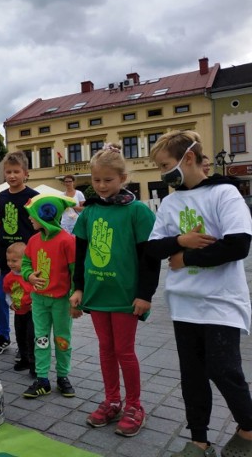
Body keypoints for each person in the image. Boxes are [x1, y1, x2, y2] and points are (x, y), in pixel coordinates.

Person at [148, 130, 252, 457]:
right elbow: (153, 247)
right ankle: (199, 441)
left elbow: (238, 245)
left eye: (165, 165)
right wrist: (180, 242)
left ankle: (248, 430)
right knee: (192, 376)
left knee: (224, 369)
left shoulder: (225, 194)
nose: (163, 174)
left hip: (221, 301)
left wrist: (185, 258)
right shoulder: (170, 202)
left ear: (188, 158)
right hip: (184, 304)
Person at [69, 143, 160, 437]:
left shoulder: (138, 212)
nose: (102, 185)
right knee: (105, 350)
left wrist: (145, 294)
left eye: (108, 180)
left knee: (124, 351)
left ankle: (134, 405)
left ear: (123, 178)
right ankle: (112, 400)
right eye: (96, 180)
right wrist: (78, 288)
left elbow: (150, 258)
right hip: (97, 294)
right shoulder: (90, 212)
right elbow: (80, 255)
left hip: (125, 296)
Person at [21, 194, 79, 399]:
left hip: (61, 301)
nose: (30, 219)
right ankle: (42, 379)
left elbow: (74, 272)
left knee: (63, 339)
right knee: (41, 338)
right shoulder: (33, 240)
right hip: (39, 300)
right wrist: (29, 275)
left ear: (46, 215)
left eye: (33, 215)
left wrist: (75, 299)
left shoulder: (67, 241)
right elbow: (26, 263)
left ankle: (63, 376)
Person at [0, 151, 38, 356]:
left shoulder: (34, 197)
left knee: (27, 301)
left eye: (16, 171)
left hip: (26, 260)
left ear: (25, 173)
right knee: (0, 297)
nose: (12, 176)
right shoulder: (2, 196)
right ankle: (3, 336)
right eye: (8, 172)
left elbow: (39, 228)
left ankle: (26, 341)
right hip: (3, 257)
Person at [2, 243, 35, 376]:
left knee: (31, 337)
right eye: (8, 260)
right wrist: (10, 303)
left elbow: (38, 289)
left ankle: (35, 365)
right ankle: (25, 360)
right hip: (18, 312)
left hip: (31, 312)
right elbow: (7, 292)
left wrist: (36, 304)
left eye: (14, 261)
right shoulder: (9, 277)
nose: (10, 264)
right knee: (20, 336)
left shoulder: (30, 275)